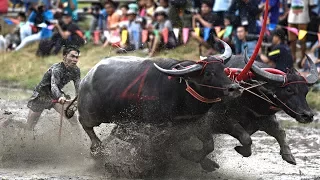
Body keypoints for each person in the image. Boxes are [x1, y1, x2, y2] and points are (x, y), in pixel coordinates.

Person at [2, 46, 81, 130]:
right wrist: (61, 96)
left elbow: (78, 86)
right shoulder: (57, 69)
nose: (75, 60)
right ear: (64, 56)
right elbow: (54, 85)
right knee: (29, 127)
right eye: (72, 56)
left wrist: (79, 98)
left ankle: (80, 141)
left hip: (55, 96)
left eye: (77, 57)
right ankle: (10, 122)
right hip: (41, 95)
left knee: (73, 120)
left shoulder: (76, 70)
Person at [287, 0, 317, 66]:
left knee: (302, 40)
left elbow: (312, 5)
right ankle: (294, 57)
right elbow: (289, 4)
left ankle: (302, 58)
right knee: (293, 40)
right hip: (293, 18)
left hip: (302, 19)